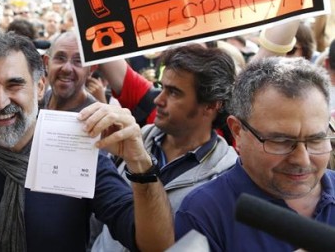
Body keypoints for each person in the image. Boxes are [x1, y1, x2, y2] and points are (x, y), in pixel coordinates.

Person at [0, 30, 173, 252]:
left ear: (39, 87)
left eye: (14, 85)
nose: (0, 102)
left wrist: (140, 162)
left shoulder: (79, 152)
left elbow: (156, 245)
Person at [175, 57, 335, 251]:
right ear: (237, 131)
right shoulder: (203, 213)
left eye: (315, 140)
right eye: (281, 141)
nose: (302, 159)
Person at [92, 44, 239, 251]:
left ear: (211, 105)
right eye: (162, 88)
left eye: (174, 93)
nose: (158, 99)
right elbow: (101, 219)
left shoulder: (227, 177)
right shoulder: (135, 138)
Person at [42, 31, 99, 111]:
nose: (67, 69)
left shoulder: (95, 117)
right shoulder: (35, 104)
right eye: (60, 58)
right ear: (46, 63)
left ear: (91, 69)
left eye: (78, 60)